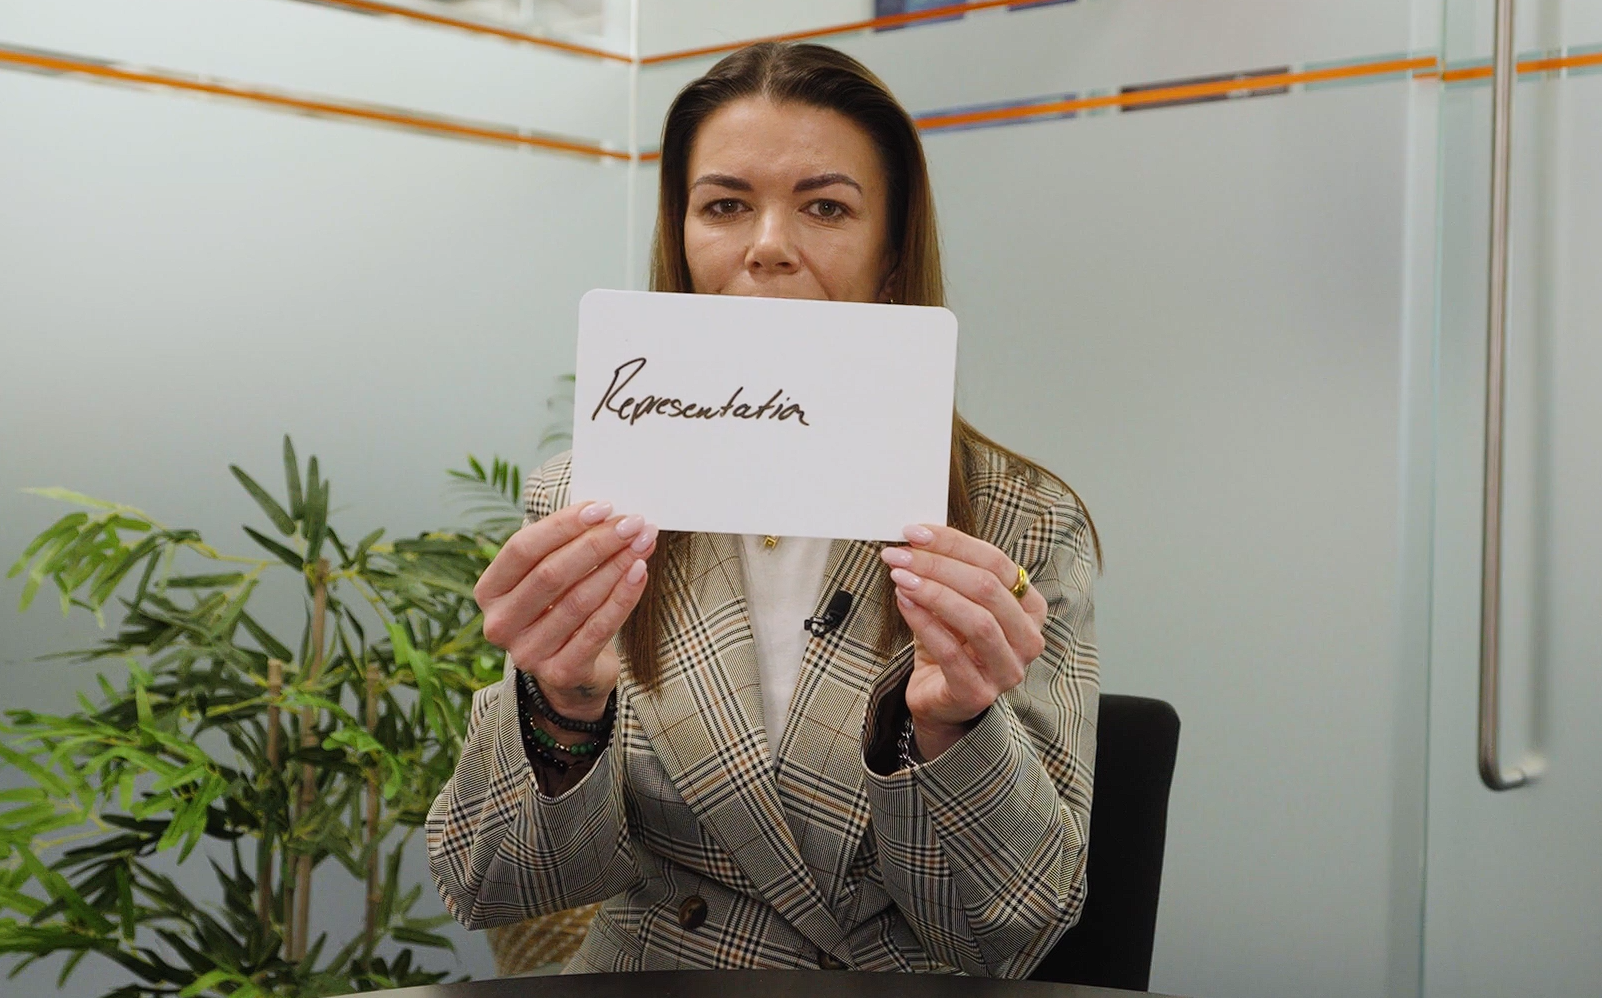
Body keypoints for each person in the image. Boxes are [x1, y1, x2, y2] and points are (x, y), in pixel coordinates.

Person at [427, 41, 1101, 978]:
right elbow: (490, 880)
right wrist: (560, 705)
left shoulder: (1018, 521)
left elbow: (1015, 928)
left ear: (892, 246)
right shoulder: (587, 501)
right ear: (682, 233)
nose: (768, 244)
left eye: (825, 206)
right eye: (725, 205)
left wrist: (951, 729)